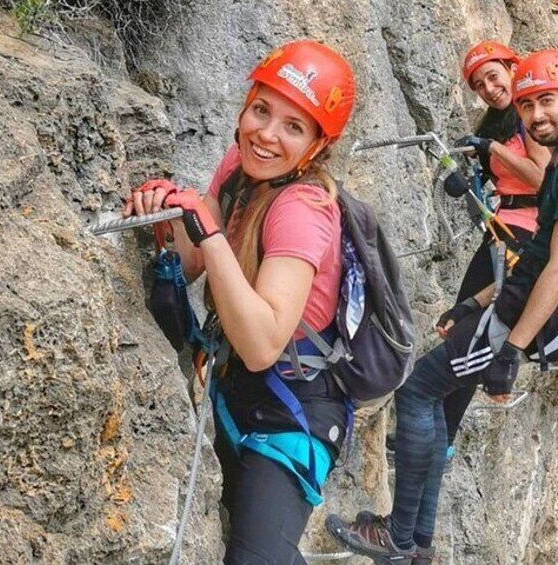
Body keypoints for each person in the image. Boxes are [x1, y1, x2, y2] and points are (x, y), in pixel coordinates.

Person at [326, 49, 558, 565]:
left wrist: (510, 347)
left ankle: (400, 539)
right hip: (532, 302)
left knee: (418, 391)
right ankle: (414, 542)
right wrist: (472, 305)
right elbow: (534, 257)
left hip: (550, 314)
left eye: (547, 101)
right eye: (528, 105)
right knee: (434, 389)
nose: (535, 115)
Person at [124, 40, 356, 564]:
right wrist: (165, 217)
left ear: (317, 146)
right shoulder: (239, 165)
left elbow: (262, 343)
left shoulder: (303, 210)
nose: (267, 135)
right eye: (261, 110)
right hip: (237, 389)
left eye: (294, 127)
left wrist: (206, 232)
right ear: (245, 104)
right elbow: (190, 264)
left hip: (292, 412)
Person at [437, 40, 553, 471]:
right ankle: (441, 432)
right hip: (502, 231)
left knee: (470, 329)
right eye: (479, 83)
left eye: (493, 75)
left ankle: (441, 436)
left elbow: (544, 180)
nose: (488, 87)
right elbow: (495, 180)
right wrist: (466, 178)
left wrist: (494, 150)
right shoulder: (497, 121)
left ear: (512, 67)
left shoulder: (529, 116)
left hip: (525, 235)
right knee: (463, 325)